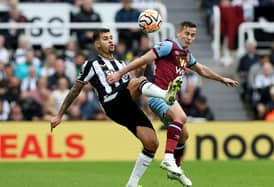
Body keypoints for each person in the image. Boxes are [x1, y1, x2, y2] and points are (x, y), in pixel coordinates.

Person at [107, 21, 240, 186]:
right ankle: (168, 158)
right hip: (158, 95)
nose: (189, 38)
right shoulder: (169, 46)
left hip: (171, 99)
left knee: (183, 135)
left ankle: (175, 169)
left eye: (192, 35)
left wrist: (221, 79)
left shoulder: (186, 55)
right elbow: (144, 58)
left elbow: (202, 69)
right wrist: (120, 73)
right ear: (179, 33)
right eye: (187, 34)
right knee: (181, 116)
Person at [50, 28, 181, 187]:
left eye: (111, 38)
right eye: (106, 38)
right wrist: (60, 114)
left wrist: (140, 68)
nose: (111, 41)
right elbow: (75, 90)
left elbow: (130, 84)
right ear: (97, 44)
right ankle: (166, 95)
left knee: (152, 143)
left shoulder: (121, 63)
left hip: (128, 106)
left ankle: (131, 184)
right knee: (139, 82)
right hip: (112, 102)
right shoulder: (91, 64)